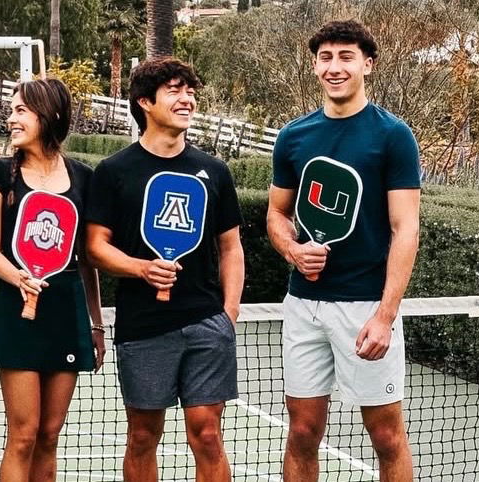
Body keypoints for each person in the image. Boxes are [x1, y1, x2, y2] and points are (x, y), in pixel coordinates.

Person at [267, 20, 420, 482]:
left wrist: (385, 315)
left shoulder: (394, 136)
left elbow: (405, 228)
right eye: (326, 57)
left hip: (365, 308)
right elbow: (276, 215)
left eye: (346, 57)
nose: (335, 67)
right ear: (315, 66)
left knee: (388, 438)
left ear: (367, 65)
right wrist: (292, 251)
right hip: (304, 307)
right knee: (302, 432)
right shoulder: (293, 137)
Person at [85, 58, 245, 482]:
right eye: (175, 90)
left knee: (207, 434)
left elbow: (230, 247)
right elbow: (95, 247)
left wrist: (228, 314)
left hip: (207, 323)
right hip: (144, 327)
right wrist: (140, 268)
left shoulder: (215, 171)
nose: (187, 98)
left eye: (190, 90)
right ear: (145, 102)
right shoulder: (114, 171)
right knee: (142, 436)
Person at [0, 78, 106, 482]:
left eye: (21, 111)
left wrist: (96, 323)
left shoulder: (85, 178)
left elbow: (87, 261)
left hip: (67, 312)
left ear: (48, 115)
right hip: (18, 311)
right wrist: (19, 278)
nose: (11, 118)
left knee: (49, 435)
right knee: (23, 435)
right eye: (12, 110)